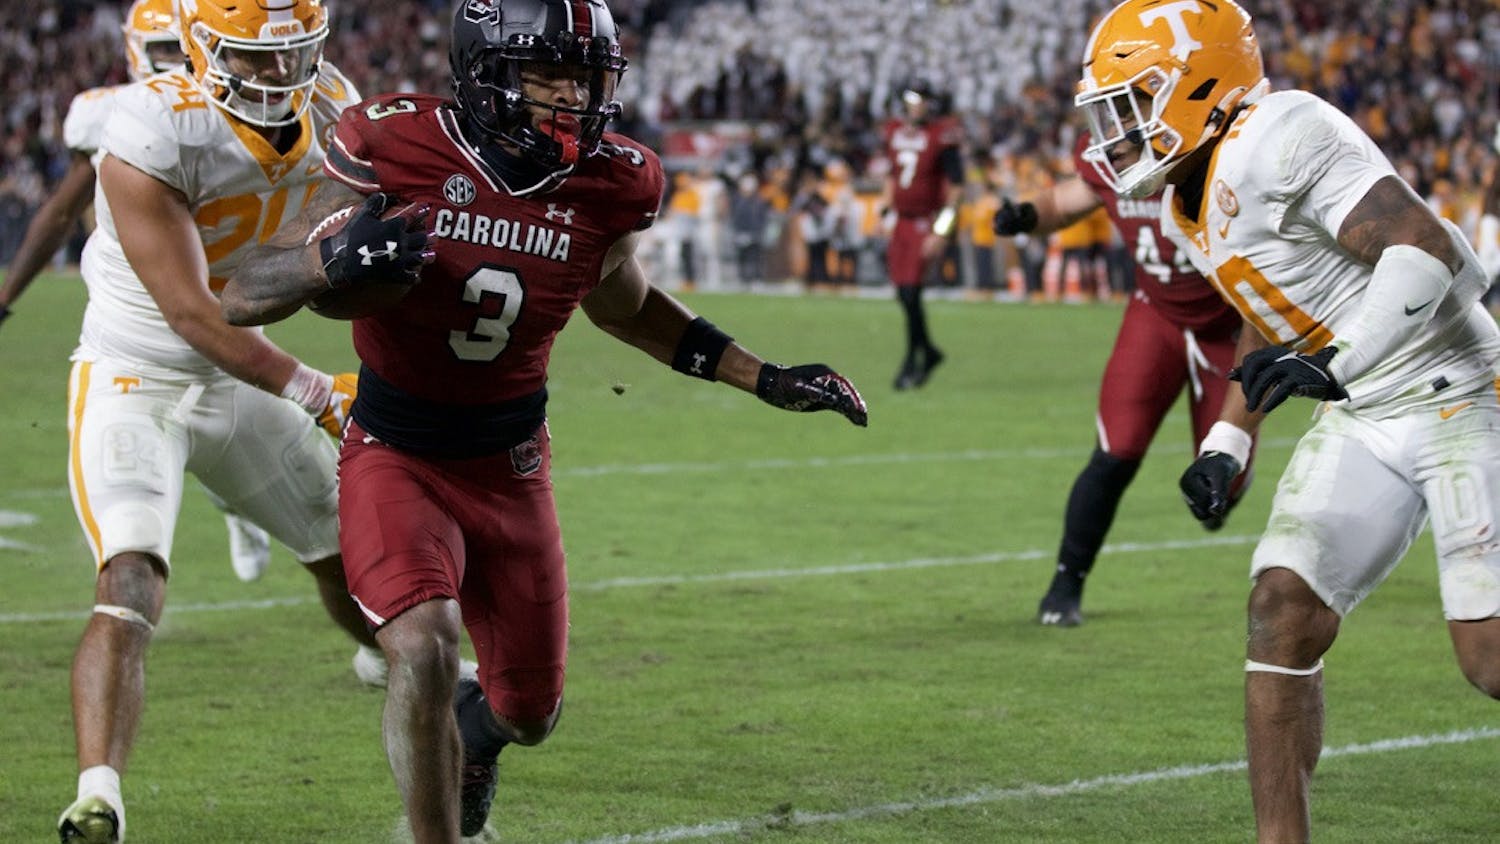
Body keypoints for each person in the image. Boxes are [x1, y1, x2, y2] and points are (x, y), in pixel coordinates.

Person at [218, 1, 868, 840]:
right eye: (551, 72)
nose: (576, 96)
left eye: (589, 74)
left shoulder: (614, 181)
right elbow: (241, 294)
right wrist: (323, 261)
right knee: (421, 645)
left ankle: (476, 736)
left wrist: (763, 375)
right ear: (488, 74)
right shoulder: (397, 142)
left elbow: (626, 307)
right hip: (396, 449)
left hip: (511, 462)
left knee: (529, 713)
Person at [1078, 1, 1500, 840]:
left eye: (1133, 105)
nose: (1117, 135)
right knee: (1281, 606)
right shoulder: (1185, 201)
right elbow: (1268, 308)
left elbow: (1427, 247)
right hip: (1367, 404)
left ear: (1198, 87)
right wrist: (1229, 438)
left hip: (1455, 388)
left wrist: (1336, 361)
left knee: (1488, 659)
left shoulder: (1283, 131)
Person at [55, 2, 387, 841]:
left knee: (340, 553)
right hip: (138, 375)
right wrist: (317, 390)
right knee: (130, 575)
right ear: (203, 49)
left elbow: (316, 257)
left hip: (239, 376)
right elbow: (193, 314)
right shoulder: (150, 125)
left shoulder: (331, 107)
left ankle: (391, 656)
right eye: (256, 58)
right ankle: (99, 792)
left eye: (295, 56)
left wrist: (342, 264)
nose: (281, 77)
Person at [0, 0, 275, 584]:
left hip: (216, 289)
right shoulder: (110, 113)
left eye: (181, 48)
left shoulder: (235, 110)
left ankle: (238, 506)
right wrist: (8, 293)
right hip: (136, 305)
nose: (174, 62)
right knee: (151, 427)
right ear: (133, 50)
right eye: (162, 51)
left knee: (235, 412)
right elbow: (60, 211)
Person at [993, 132, 1256, 627]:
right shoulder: (1112, 161)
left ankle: (1233, 486)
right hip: (1155, 314)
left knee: (1219, 485)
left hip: (1230, 328)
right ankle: (1066, 582)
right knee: (1115, 453)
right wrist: (1028, 215)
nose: (1109, 135)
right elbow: (1066, 200)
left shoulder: (1210, 161)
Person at [881, 84, 962, 390]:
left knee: (912, 293)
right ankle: (926, 351)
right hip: (901, 220)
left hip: (924, 222)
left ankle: (914, 357)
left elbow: (957, 188)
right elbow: (892, 175)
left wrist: (942, 230)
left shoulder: (941, 136)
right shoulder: (894, 132)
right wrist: (885, 211)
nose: (916, 106)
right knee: (903, 294)